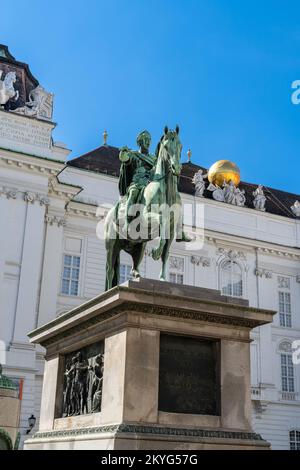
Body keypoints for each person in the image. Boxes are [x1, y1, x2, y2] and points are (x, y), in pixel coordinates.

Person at [118, 130, 156, 232]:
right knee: (133, 193)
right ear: (139, 142)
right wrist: (123, 153)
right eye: (145, 140)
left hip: (150, 184)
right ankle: (127, 222)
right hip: (138, 183)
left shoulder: (154, 158)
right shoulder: (133, 155)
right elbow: (124, 159)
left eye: (149, 140)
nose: (148, 142)